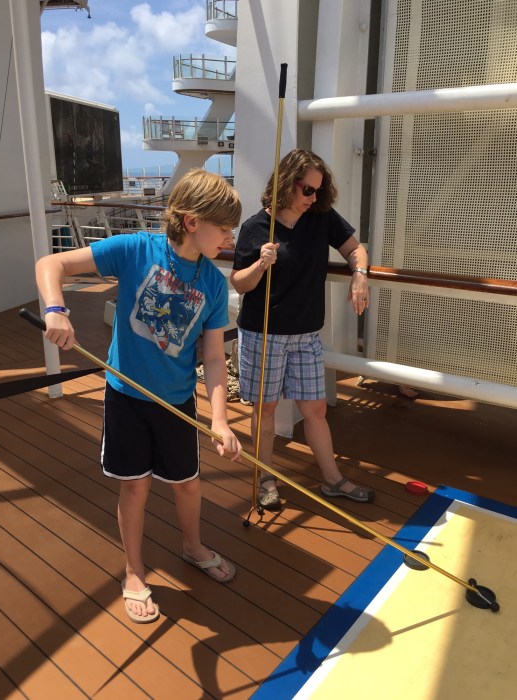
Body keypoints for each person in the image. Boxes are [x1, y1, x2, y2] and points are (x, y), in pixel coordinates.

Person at [36, 169, 242, 624]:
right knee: (135, 485)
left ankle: (192, 546)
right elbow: (51, 265)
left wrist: (220, 419)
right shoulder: (135, 249)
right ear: (192, 221)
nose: (231, 237)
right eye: (224, 227)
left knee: (188, 483)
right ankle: (133, 571)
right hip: (126, 397)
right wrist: (56, 309)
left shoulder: (212, 283)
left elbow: (212, 358)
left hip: (176, 401)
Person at [230, 149, 374, 510]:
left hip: (306, 335)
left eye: (318, 191)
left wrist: (360, 275)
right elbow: (240, 283)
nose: (313, 197)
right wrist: (260, 265)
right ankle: (265, 478)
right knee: (265, 410)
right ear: (286, 183)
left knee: (315, 410)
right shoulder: (256, 228)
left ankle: (333, 480)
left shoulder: (321, 218)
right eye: (307, 190)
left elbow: (355, 249)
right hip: (264, 334)